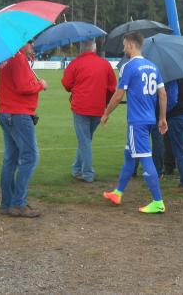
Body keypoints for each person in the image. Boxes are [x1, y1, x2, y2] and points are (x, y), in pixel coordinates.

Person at [101, 32, 168, 214]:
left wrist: (106, 113)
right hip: (149, 119)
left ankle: (157, 201)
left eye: (124, 45)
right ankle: (118, 192)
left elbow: (119, 94)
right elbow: (162, 94)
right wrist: (162, 118)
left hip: (137, 121)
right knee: (129, 155)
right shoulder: (153, 67)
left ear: (130, 45)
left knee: (145, 158)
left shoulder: (128, 67)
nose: (123, 48)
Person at [0, 40, 47, 218]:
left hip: (6, 112)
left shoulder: (6, 59)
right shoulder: (18, 59)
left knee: (10, 159)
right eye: (30, 41)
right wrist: (41, 85)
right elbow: (24, 86)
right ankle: (18, 203)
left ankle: (7, 203)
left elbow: (0, 89)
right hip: (18, 114)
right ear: (22, 43)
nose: (33, 44)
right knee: (30, 157)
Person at [62, 39, 117, 182]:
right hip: (98, 108)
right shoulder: (105, 64)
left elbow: (66, 84)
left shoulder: (76, 63)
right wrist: (105, 100)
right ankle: (76, 168)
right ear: (94, 49)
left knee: (84, 140)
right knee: (85, 140)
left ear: (82, 49)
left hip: (81, 107)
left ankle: (87, 173)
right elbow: (112, 87)